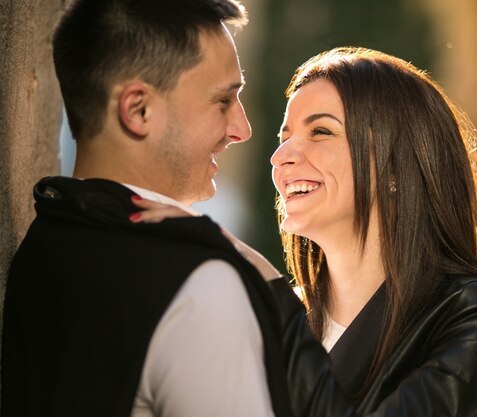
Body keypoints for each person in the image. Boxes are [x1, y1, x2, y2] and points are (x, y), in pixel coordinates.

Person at [131, 47, 477, 416]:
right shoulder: (274, 318)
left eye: (320, 132)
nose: (280, 157)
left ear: (394, 167)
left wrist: (248, 268)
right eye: (284, 137)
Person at [0, 1, 293, 416]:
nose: (241, 129)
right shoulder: (200, 289)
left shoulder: (45, 242)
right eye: (223, 101)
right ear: (138, 110)